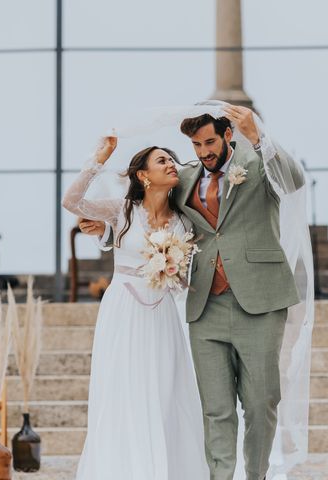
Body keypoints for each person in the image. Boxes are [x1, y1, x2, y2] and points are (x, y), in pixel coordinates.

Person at [67, 103, 310, 480]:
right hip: (201, 306)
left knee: (260, 403)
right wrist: (108, 226)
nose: (202, 152)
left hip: (257, 299)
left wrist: (259, 137)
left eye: (209, 142)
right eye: (195, 145)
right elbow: (112, 207)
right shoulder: (177, 183)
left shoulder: (256, 161)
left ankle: (256, 476)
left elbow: (293, 182)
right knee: (214, 407)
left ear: (228, 135)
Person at [62, 139, 209, 480]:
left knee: (166, 391)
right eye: (162, 161)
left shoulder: (184, 221)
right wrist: (98, 159)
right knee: (124, 390)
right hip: (124, 309)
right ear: (143, 175)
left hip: (163, 313)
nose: (172, 164)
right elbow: (72, 201)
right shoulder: (122, 210)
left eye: (172, 159)